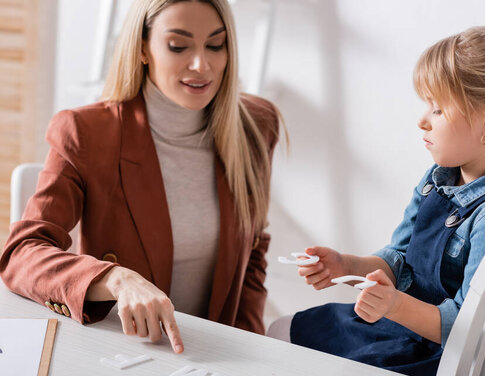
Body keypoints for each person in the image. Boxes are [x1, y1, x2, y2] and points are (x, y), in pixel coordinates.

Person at [268, 26, 485, 376]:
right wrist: (349, 266)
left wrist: (393, 305)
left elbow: (470, 331)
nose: (422, 120)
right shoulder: (439, 180)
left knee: (295, 356)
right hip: (405, 329)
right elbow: (401, 259)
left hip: (439, 360)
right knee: (282, 331)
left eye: (438, 108)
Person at [0, 0, 283, 354]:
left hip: (212, 356)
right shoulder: (86, 132)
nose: (201, 65)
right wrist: (114, 278)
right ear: (143, 49)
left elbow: (253, 250)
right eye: (178, 46)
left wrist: (250, 347)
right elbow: (22, 254)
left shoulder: (256, 126)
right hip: (120, 351)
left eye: (215, 44)